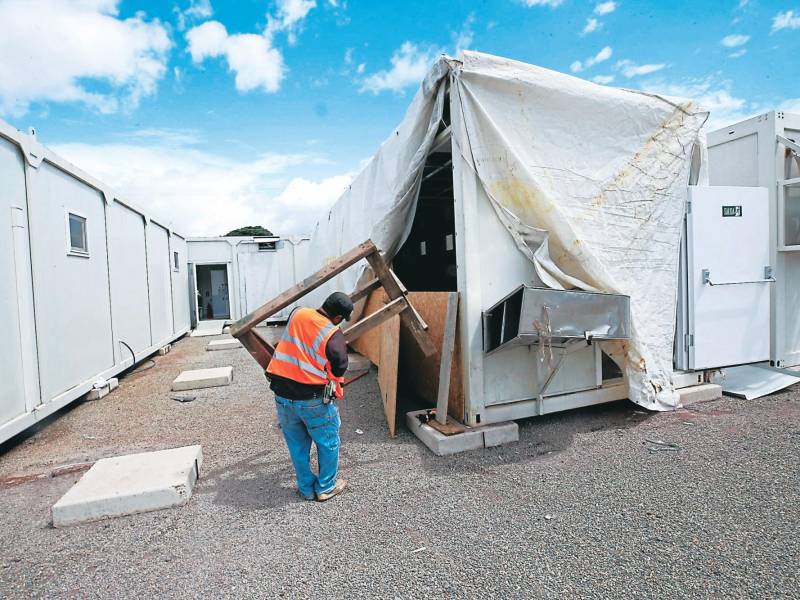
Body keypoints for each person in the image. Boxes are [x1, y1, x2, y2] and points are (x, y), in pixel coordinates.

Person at [266, 291, 353, 502]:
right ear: (339, 318)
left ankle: (306, 488)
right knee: (328, 442)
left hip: (282, 396)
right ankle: (325, 487)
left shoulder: (297, 313)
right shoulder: (332, 333)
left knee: (297, 444)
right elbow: (340, 363)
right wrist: (334, 379)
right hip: (312, 399)